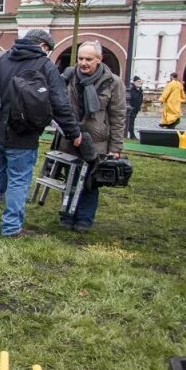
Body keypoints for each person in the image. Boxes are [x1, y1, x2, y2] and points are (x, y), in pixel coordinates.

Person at [0, 29, 82, 238]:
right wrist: (73, 131)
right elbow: (60, 103)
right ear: (42, 46)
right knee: (18, 180)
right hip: (24, 134)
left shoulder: (0, 58)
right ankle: (11, 227)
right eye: (48, 50)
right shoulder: (44, 66)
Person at [56, 41, 126, 232]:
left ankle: (84, 219)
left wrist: (115, 148)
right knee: (69, 178)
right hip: (70, 139)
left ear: (99, 59)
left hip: (97, 142)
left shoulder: (113, 82)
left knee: (90, 182)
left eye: (88, 59)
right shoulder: (69, 76)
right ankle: (66, 215)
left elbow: (118, 116)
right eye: (80, 58)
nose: (83, 63)